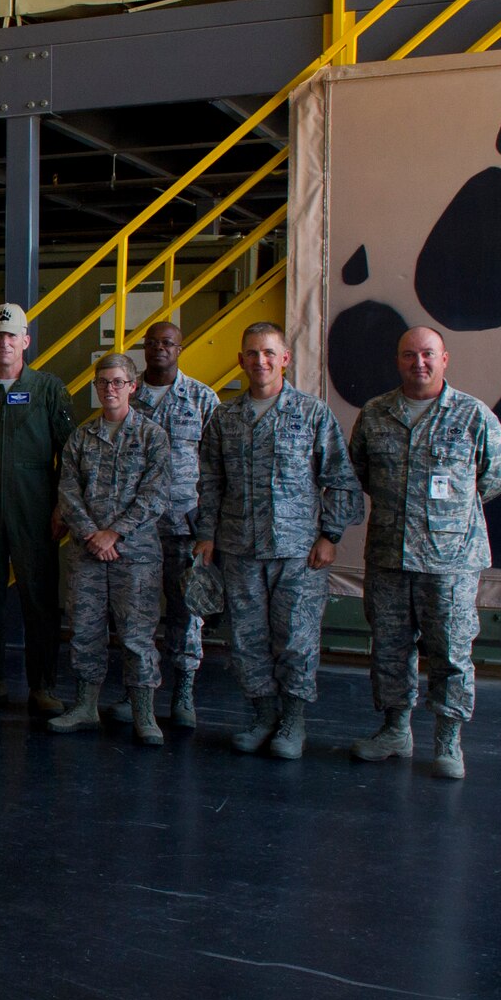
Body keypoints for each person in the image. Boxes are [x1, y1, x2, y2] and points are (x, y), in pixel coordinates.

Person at [348, 326, 501, 779]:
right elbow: (361, 470)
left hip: (451, 562)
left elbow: (497, 475)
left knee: (451, 651)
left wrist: (448, 514)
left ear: (445, 359)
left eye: (427, 354)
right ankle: (395, 730)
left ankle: (448, 740)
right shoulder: (376, 413)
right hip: (389, 557)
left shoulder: (472, 415)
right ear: (398, 360)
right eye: (408, 355)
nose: (418, 363)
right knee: (389, 649)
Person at [195, 322, 363, 760]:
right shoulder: (225, 418)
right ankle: (263, 715)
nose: (260, 361)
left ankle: (292, 721)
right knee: (247, 641)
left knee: (295, 640)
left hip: (298, 553)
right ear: (240, 360)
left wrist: (330, 536)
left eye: (269, 353)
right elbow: (210, 482)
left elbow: (340, 481)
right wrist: (207, 535)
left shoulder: (312, 414)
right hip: (239, 550)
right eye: (252, 353)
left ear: (285, 358)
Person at [0, 302, 75, 714]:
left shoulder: (49, 389)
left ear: (25, 340)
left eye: (12, 336)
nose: (5, 343)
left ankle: (43, 686)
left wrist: (62, 505)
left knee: (38, 598)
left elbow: (70, 456)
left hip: (36, 509)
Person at [47, 354, 173, 744]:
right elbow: (67, 490)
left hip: (135, 556)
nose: (110, 389)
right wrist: (91, 535)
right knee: (85, 631)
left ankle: (143, 713)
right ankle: (85, 706)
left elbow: (156, 494)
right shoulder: (81, 438)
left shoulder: (153, 436)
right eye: (103, 383)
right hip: (87, 554)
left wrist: (114, 533)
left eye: (118, 382)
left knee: (137, 636)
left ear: (133, 386)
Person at [117, 320, 220, 729]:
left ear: (180, 347)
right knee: (134, 616)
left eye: (168, 343)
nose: (160, 348)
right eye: (153, 342)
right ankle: (135, 693)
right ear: (143, 347)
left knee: (186, 615)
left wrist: (208, 530)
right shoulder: (127, 392)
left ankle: (183, 694)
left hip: (184, 526)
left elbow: (215, 469)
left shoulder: (201, 399)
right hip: (138, 528)